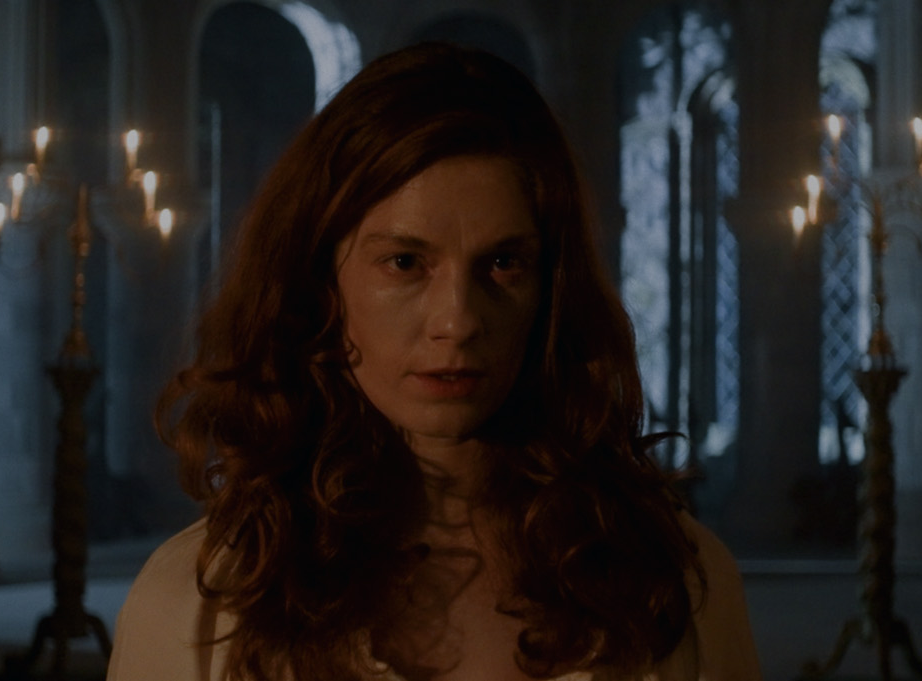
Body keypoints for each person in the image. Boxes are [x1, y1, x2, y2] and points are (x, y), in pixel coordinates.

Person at [109, 42, 761, 681]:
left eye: (502, 263)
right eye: (406, 262)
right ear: (321, 282)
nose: (458, 321)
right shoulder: (197, 603)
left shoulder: (672, 582)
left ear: (551, 286)